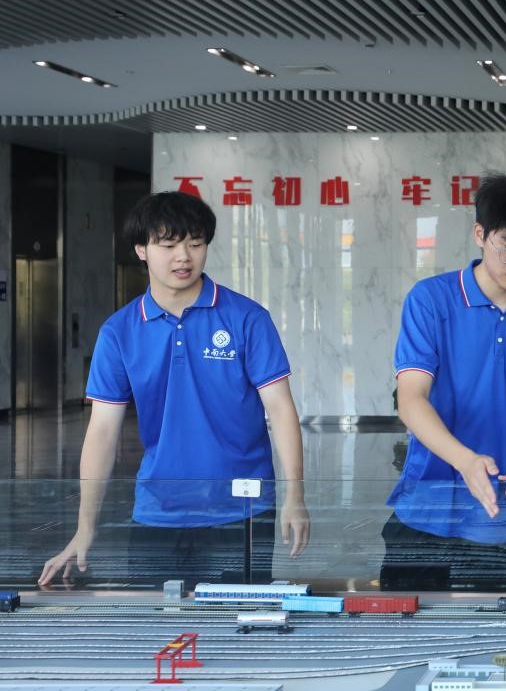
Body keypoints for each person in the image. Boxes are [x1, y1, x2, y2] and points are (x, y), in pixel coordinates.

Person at [39, 191, 308, 586]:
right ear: (141, 250)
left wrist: (295, 496)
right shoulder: (119, 331)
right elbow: (102, 431)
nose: (184, 257)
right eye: (168, 245)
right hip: (156, 511)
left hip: (241, 510)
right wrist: (85, 526)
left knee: (236, 621)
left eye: (195, 244)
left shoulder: (247, 318)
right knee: (155, 620)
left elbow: (281, 409)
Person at [385, 172, 506, 591]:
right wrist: (465, 461)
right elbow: (411, 399)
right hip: (430, 500)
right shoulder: (431, 299)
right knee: (411, 620)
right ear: (480, 234)